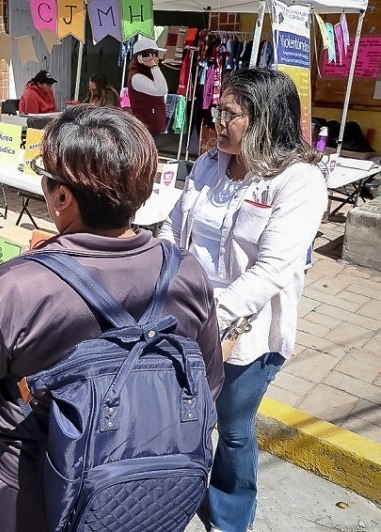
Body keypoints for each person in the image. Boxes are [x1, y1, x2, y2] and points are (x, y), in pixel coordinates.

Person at [0, 105, 224, 531]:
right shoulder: (186, 272)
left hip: (34, 494)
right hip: (143, 500)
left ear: (62, 198)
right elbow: (208, 383)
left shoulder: (18, 287)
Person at [158, 68, 326, 532]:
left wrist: (210, 317)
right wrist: (167, 283)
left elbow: (272, 270)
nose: (216, 121)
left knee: (231, 428)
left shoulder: (299, 181)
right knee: (184, 416)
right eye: (217, 110)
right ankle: (177, 492)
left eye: (229, 114)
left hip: (245, 331)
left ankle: (230, 516)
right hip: (186, 314)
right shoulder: (211, 163)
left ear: (266, 120)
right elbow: (176, 225)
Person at [128, 36, 168, 138]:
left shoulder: (146, 73)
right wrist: (154, 66)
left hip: (150, 127)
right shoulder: (137, 77)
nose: (158, 58)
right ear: (144, 56)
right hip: (146, 127)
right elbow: (162, 90)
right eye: (155, 54)